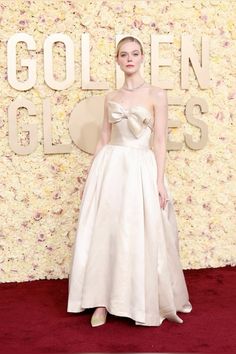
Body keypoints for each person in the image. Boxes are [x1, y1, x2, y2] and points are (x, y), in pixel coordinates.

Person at [67, 35, 192, 327]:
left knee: (137, 231)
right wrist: (93, 175)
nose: (130, 58)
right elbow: (103, 137)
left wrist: (159, 182)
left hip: (140, 167)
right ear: (117, 60)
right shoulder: (111, 97)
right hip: (110, 166)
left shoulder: (157, 94)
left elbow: (160, 141)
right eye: (124, 54)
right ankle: (100, 303)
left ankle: (137, 299)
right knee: (105, 232)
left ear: (142, 57)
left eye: (135, 53)